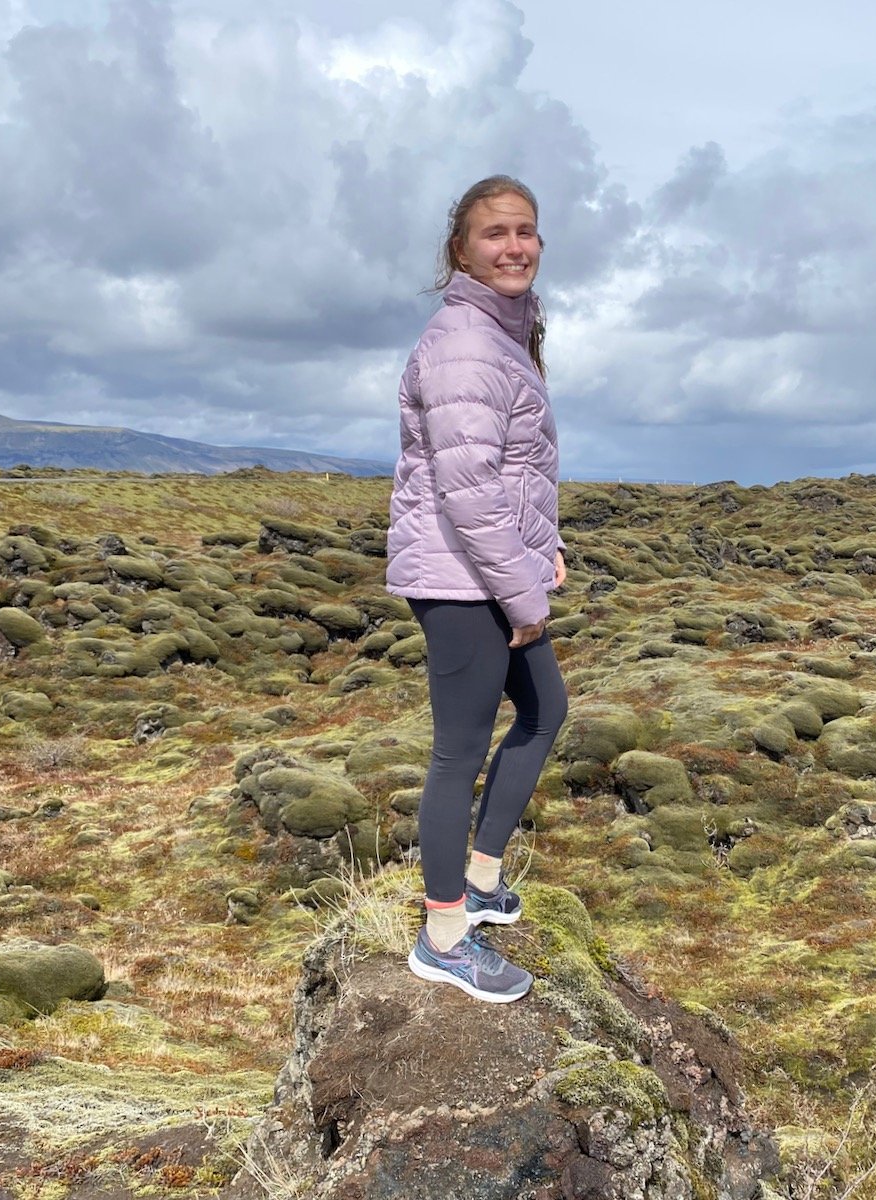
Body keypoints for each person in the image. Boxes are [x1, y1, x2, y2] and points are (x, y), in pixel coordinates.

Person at [385, 175, 568, 1003]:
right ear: (461, 249)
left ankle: (483, 879)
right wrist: (523, 600)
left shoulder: (503, 334)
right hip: (464, 582)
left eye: (525, 231)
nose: (515, 246)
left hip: (493, 571)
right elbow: (468, 492)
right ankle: (444, 935)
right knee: (458, 752)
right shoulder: (464, 343)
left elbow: (516, 473)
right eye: (495, 233)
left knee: (545, 711)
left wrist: (546, 550)